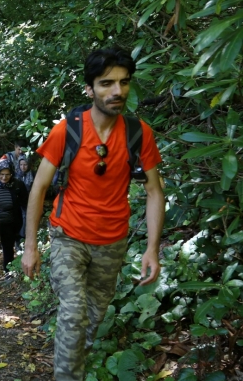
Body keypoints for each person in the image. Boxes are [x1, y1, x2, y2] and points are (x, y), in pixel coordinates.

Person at [21, 47, 164, 381]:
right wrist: (31, 246)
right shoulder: (67, 131)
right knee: (73, 314)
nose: (117, 91)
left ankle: (72, 364)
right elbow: (39, 188)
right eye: (106, 83)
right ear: (90, 89)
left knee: (91, 321)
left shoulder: (138, 133)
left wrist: (152, 249)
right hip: (68, 237)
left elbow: (155, 191)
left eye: (123, 83)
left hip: (112, 243)